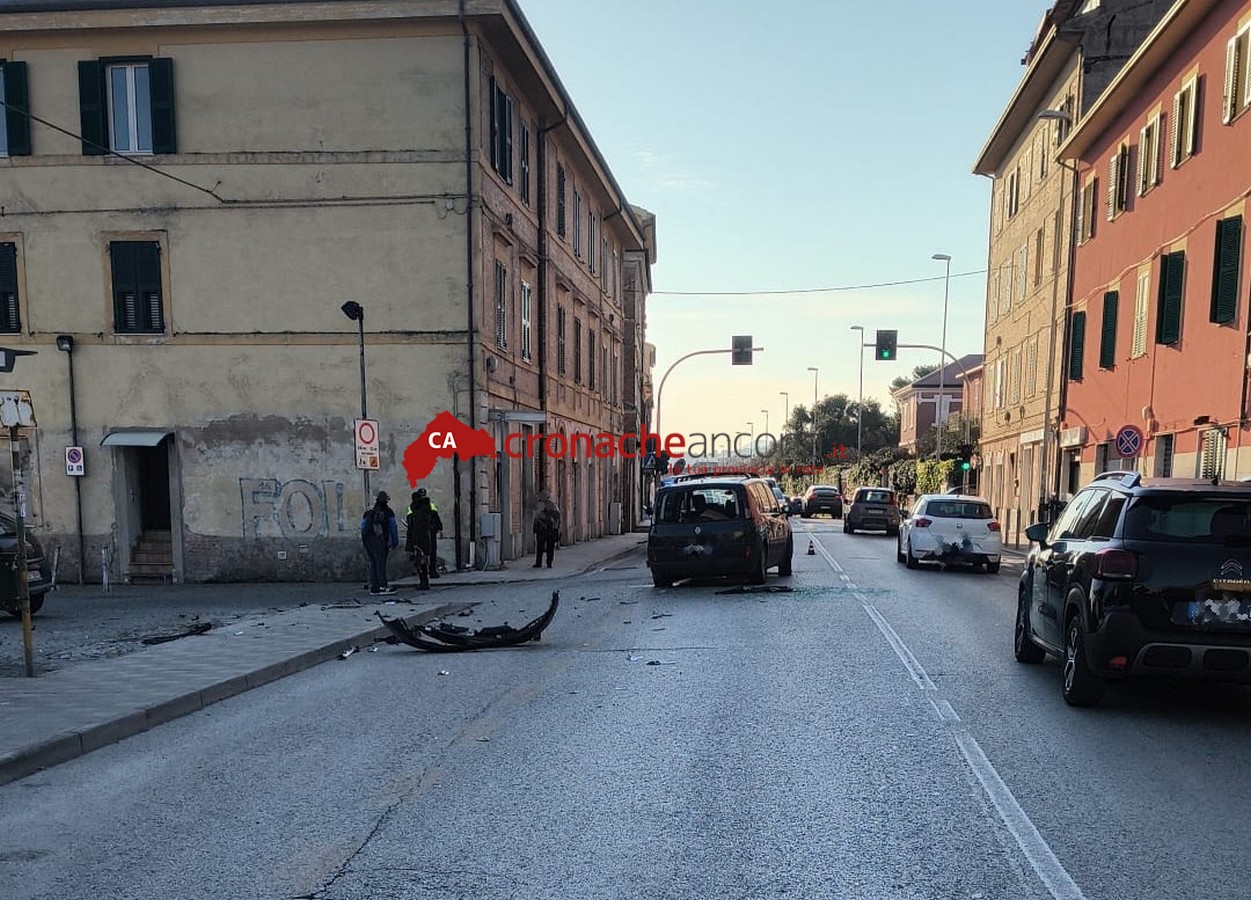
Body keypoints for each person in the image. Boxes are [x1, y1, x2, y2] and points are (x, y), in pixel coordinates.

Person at [360, 490, 399, 595]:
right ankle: (383, 586)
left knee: (373, 563)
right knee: (381, 563)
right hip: (381, 541)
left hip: (369, 541)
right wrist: (394, 542)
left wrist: (365, 540)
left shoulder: (369, 513)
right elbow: (393, 528)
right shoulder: (388, 512)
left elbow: (363, 527)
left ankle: (375, 586)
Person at [405, 489, 434, 590]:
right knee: (423, 561)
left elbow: (414, 529)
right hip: (425, 538)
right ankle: (424, 581)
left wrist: (413, 543)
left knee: (419, 562)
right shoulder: (426, 509)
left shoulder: (417, 513)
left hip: (418, 540)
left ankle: (423, 582)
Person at [532, 489, 561, 568]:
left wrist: (535, 527)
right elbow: (557, 517)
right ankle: (548, 563)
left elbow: (536, 517)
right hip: (549, 528)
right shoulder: (553, 505)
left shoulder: (541, 505)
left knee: (541, 547)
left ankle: (540, 563)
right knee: (548, 547)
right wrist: (556, 527)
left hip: (543, 528)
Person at [427, 496, 444, 578]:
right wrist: (439, 528)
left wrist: (439, 528)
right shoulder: (431, 505)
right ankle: (432, 571)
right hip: (430, 531)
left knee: (429, 553)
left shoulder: (414, 506)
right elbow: (436, 518)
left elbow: (436, 517)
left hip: (426, 532)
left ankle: (428, 571)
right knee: (431, 552)